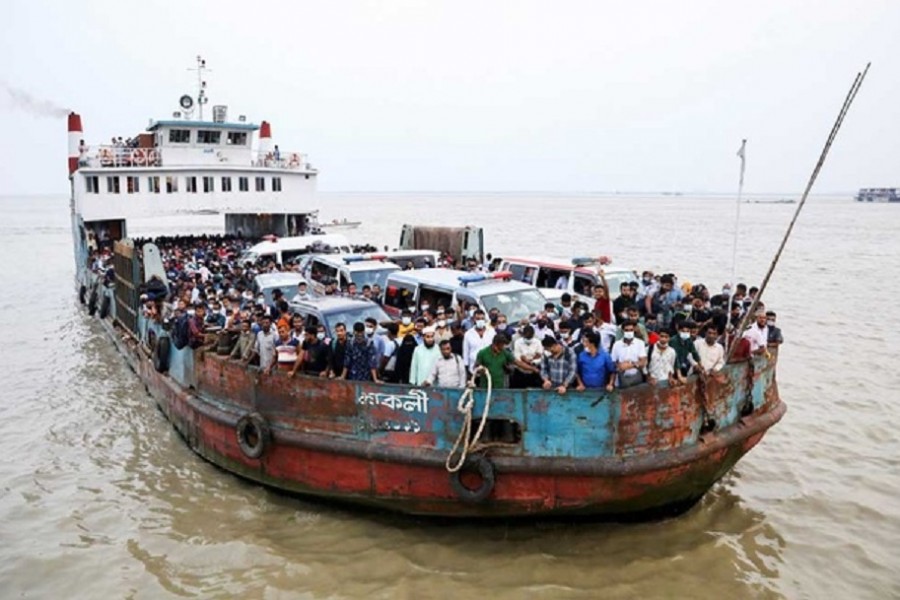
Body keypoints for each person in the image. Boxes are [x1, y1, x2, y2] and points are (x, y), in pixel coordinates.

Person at [610, 320, 647, 388]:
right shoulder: (616, 345)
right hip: (622, 376)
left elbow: (643, 362)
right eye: (626, 330)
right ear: (622, 331)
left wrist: (630, 365)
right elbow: (613, 361)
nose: (629, 332)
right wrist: (620, 366)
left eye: (631, 330)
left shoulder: (640, 343)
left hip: (636, 376)